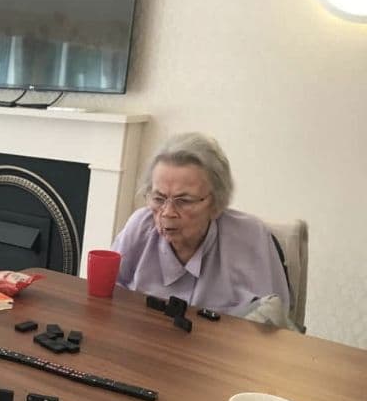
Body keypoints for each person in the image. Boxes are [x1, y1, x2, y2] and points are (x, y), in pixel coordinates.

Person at [112, 132, 290, 321]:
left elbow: (275, 324)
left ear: (216, 204)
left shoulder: (251, 238)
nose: (167, 212)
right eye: (159, 198)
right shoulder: (139, 227)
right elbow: (106, 294)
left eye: (184, 200)